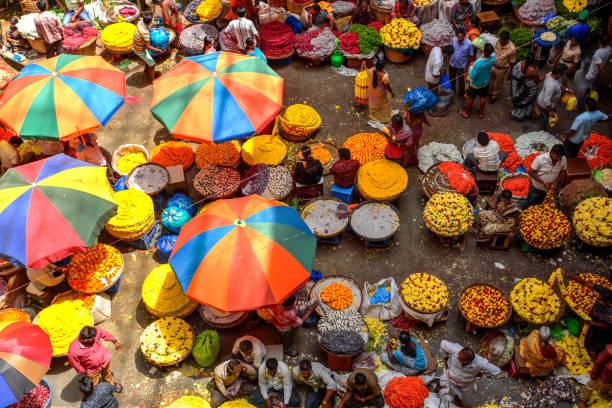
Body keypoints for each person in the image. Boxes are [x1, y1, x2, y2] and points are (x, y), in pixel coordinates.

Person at [438, 340, 502, 407]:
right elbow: (443, 343)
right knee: (441, 382)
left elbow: (497, 371)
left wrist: (482, 374)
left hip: (465, 382)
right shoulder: (455, 350)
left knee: (459, 392)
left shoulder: (481, 363)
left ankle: (458, 399)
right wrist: (445, 358)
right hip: (450, 375)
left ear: (468, 361)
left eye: (461, 360)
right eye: (458, 357)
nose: (458, 359)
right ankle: (437, 389)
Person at [68, 326, 123, 392]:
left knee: (107, 374)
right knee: (94, 384)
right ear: (87, 340)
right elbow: (75, 364)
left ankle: (110, 385)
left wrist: (114, 341)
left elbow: (104, 333)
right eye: (93, 339)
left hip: (104, 361)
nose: (96, 338)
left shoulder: (94, 331)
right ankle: (96, 394)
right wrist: (84, 371)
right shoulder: (73, 350)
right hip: (92, 370)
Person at [523, 144, 567, 209]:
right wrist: (543, 182)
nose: (559, 159)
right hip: (537, 187)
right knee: (531, 201)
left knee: (543, 202)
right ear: (551, 153)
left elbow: (563, 171)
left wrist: (556, 182)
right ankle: (525, 212)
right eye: (557, 156)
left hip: (550, 188)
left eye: (560, 157)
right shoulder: (540, 159)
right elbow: (531, 172)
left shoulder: (563, 159)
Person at [461, 43, 495, 119]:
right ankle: (480, 114)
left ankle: (466, 113)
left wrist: (470, 68)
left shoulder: (478, 63)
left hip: (475, 84)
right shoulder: (493, 57)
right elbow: (485, 59)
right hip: (485, 82)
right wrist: (475, 63)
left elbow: (472, 76)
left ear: (484, 51)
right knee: (483, 97)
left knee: (471, 98)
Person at [577, 37, 611, 111]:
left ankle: (580, 107)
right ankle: (590, 92)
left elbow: (600, 66)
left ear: (599, 43)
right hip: (596, 74)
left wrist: (603, 73)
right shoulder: (609, 48)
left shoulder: (598, 53)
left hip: (591, 74)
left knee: (581, 90)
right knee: (590, 86)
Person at [536, 63, 570, 130]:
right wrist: (551, 111)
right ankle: (542, 130)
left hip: (549, 102)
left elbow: (559, 84)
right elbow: (546, 100)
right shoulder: (551, 86)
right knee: (545, 118)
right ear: (559, 74)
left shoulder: (551, 74)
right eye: (564, 73)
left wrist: (567, 89)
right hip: (545, 105)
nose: (565, 75)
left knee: (547, 116)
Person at [133, 13, 164, 82]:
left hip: (135, 45)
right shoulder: (145, 33)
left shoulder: (140, 23)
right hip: (140, 50)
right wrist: (158, 50)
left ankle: (146, 70)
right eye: (152, 20)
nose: (153, 20)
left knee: (148, 59)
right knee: (152, 64)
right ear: (150, 22)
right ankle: (153, 80)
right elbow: (149, 47)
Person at [510, 53, 541, 121]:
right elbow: (536, 81)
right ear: (533, 61)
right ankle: (522, 115)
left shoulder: (519, 64)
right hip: (528, 90)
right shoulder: (533, 70)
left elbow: (514, 74)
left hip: (517, 86)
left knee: (517, 99)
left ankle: (516, 113)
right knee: (525, 101)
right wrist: (545, 77)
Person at [489, 30, 516, 104]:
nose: (501, 41)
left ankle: (494, 96)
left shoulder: (512, 48)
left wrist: (510, 72)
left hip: (501, 69)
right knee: (489, 80)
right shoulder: (497, 41)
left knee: (498, 84)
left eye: (503, 40)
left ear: (507, 40)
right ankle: (489, 92)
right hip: (492, 65)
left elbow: (512, 61)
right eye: (500, 39)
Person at [449, 29, 474, 105]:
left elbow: (471, 55)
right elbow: (450, 50)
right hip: (452, 64)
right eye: (458, 37)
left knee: (461, 82)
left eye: (461, 37)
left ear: (464, 36)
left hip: (462, 66)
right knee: (452, 80)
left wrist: (467, 66)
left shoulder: (469, 44)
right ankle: (452, 93)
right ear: (456, 36)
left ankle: (461, 96)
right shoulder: (453, 40)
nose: (459, 39)